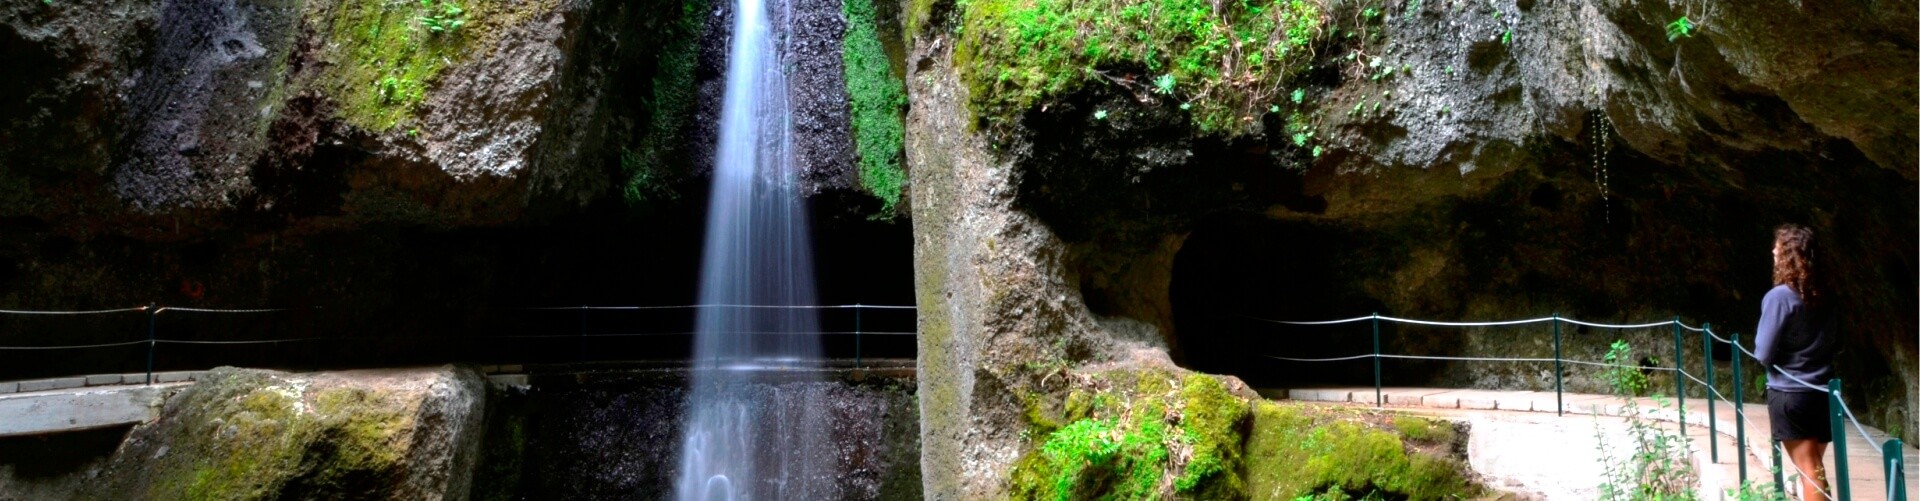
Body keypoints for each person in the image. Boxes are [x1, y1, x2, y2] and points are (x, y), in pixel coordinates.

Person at [1754, 223, 1839, 501]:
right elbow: (1838, 342)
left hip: (1791, 393)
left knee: (1809, 470)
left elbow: (1763, 353)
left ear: (1789, 255)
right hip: (1822, 392)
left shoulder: (1779, 297)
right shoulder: (1826, 295)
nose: (1773, 250)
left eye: (1778, 247)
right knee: (1814, 468)